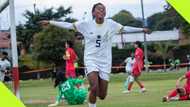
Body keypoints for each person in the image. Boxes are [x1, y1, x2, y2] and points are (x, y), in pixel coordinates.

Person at [40, 3, 150, 107]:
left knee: (102, 95)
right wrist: (50, 22)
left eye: (103, 9)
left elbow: (125, 28)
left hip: (105, 62)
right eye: (99, 8)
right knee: (94, 87)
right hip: (91, 59)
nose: (102, 10)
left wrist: (142, 30)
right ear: (93, 13)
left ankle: (91, 92)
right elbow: (68, 25)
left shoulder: (111, 24)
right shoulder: (86, 24)